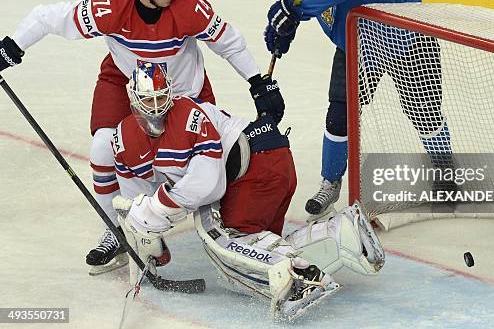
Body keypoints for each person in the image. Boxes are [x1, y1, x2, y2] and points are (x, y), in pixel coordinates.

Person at [0, 0, 284, 274]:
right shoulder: (110, 8)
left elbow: (229, 41)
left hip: (182, 91)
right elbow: (45, 17)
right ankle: (117, 230)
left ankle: (168, 214)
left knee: (198, 155)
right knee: (104, 147)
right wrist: (10, 48)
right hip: (124, 84)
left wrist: (257, 82)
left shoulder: (188, 5)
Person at [111, 62, 385, 320]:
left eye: (161, 98)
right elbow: (145, 193)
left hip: (257, 168)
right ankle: (341, 234)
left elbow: (208, 184)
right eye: (149, 100)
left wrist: (155, 209)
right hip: (268, 162)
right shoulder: (129, 139)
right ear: (133, 101)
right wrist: (145, 223)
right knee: (260, 246)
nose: (156, 107)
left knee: (225, 239)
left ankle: (298, 280)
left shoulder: (187, 115)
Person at [264, 0, 453, 216]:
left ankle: (447, 176)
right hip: (355, 43)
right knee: (339, 116)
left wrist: (294, 9)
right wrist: (285, 25)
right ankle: (329, 184)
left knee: (425, 115)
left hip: (406, 36)